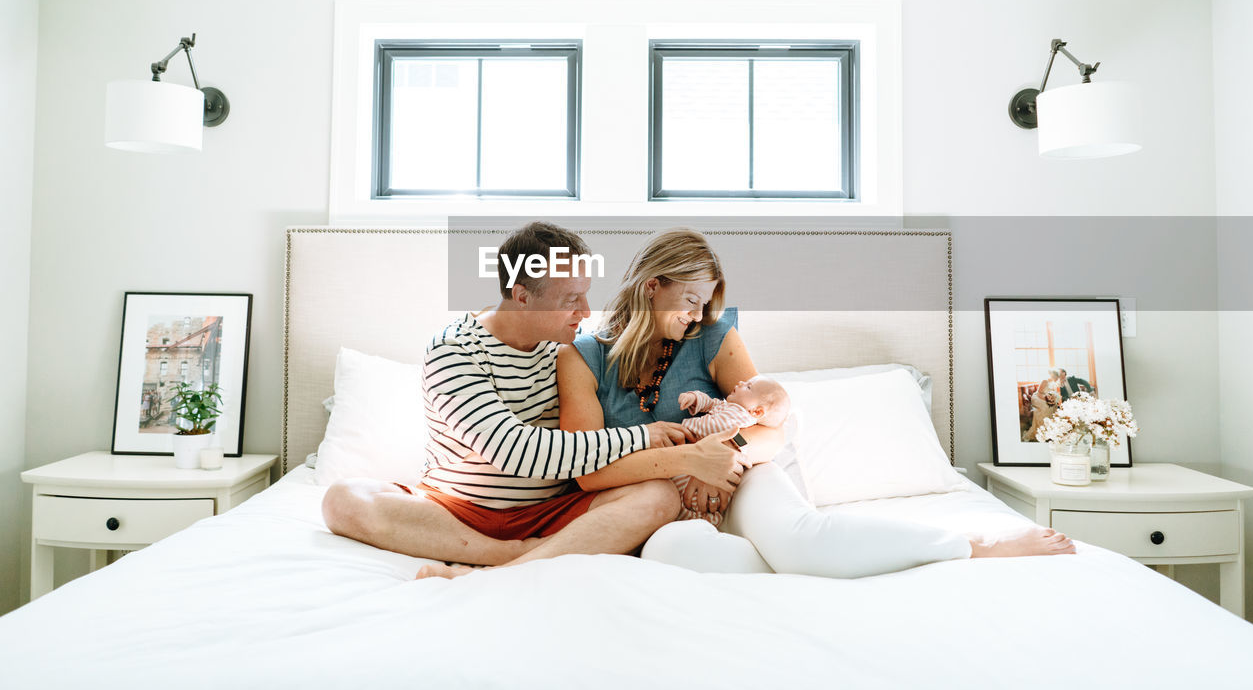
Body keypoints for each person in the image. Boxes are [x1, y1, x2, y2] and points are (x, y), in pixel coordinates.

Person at [558, 228, 1076, 578]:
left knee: (802, 542)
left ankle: (973, 544)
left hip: (742, 477)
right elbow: (586, 471)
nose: (696, 318)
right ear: (652, 287)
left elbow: (772, 426)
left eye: (705, 305)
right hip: (669, 505)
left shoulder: (715, 338)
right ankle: (805, 566)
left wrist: (722, 460)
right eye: (690, 302)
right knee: (675, 556)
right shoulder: (583, 358)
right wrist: (690, 461)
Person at [321, 221, 745, 580]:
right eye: (569, 300)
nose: (584, 310)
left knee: (657, 497)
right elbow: (516, 452)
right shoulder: (454, 351)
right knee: (342, 500)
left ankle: (500, 567)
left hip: (551, 510)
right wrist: (645, 436)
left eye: (585, 293)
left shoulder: (568, 349)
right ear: (522, 296)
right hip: (457, 509)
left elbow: (592, 452)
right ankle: (515, 560)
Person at [673, 376, 791, 526]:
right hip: (692, 461)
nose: (741, 382)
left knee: (690, 498)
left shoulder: (740, 417)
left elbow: (715, 427)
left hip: (703, 469)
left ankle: (700, 519)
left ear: (757, 412)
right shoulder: (729, 407)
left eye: (748, 387)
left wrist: (687, 428)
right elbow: (711, 403)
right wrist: (695, 398)